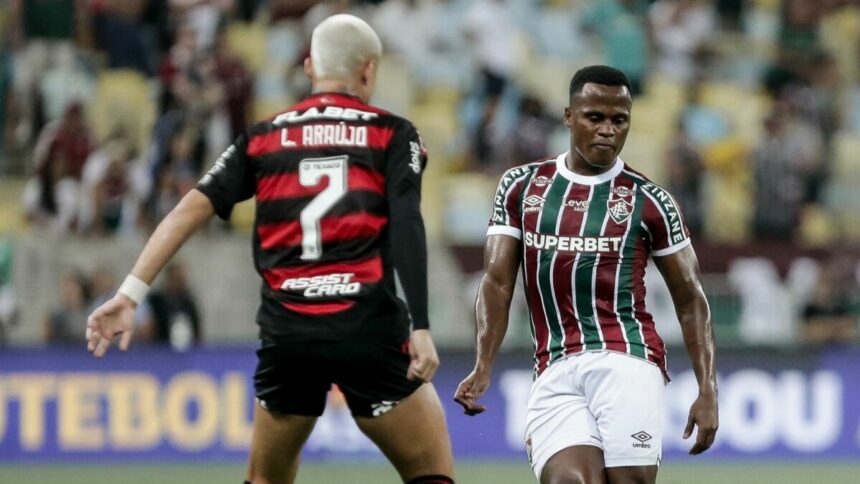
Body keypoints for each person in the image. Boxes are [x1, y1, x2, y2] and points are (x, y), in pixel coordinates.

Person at [86, 14, 455, 484]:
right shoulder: (392, 132)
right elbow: (407, 222)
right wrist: (421, 325)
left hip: (290, 335)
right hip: (368, 328)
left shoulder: (263, 137)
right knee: (430, 473)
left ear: (308, 66)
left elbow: (186, 212)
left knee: (266, 479)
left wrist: (129, 294)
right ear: (368, 71)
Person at [454, 66, 718, 484]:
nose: (608, 130)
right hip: (555, 365)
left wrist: (708, 389)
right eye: (595, 117)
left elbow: (691, 299)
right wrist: (483, 362)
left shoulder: (650, 200)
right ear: (568, 116)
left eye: (619, 120)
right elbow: (497, 282)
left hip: (629, 359)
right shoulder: (521, 187)